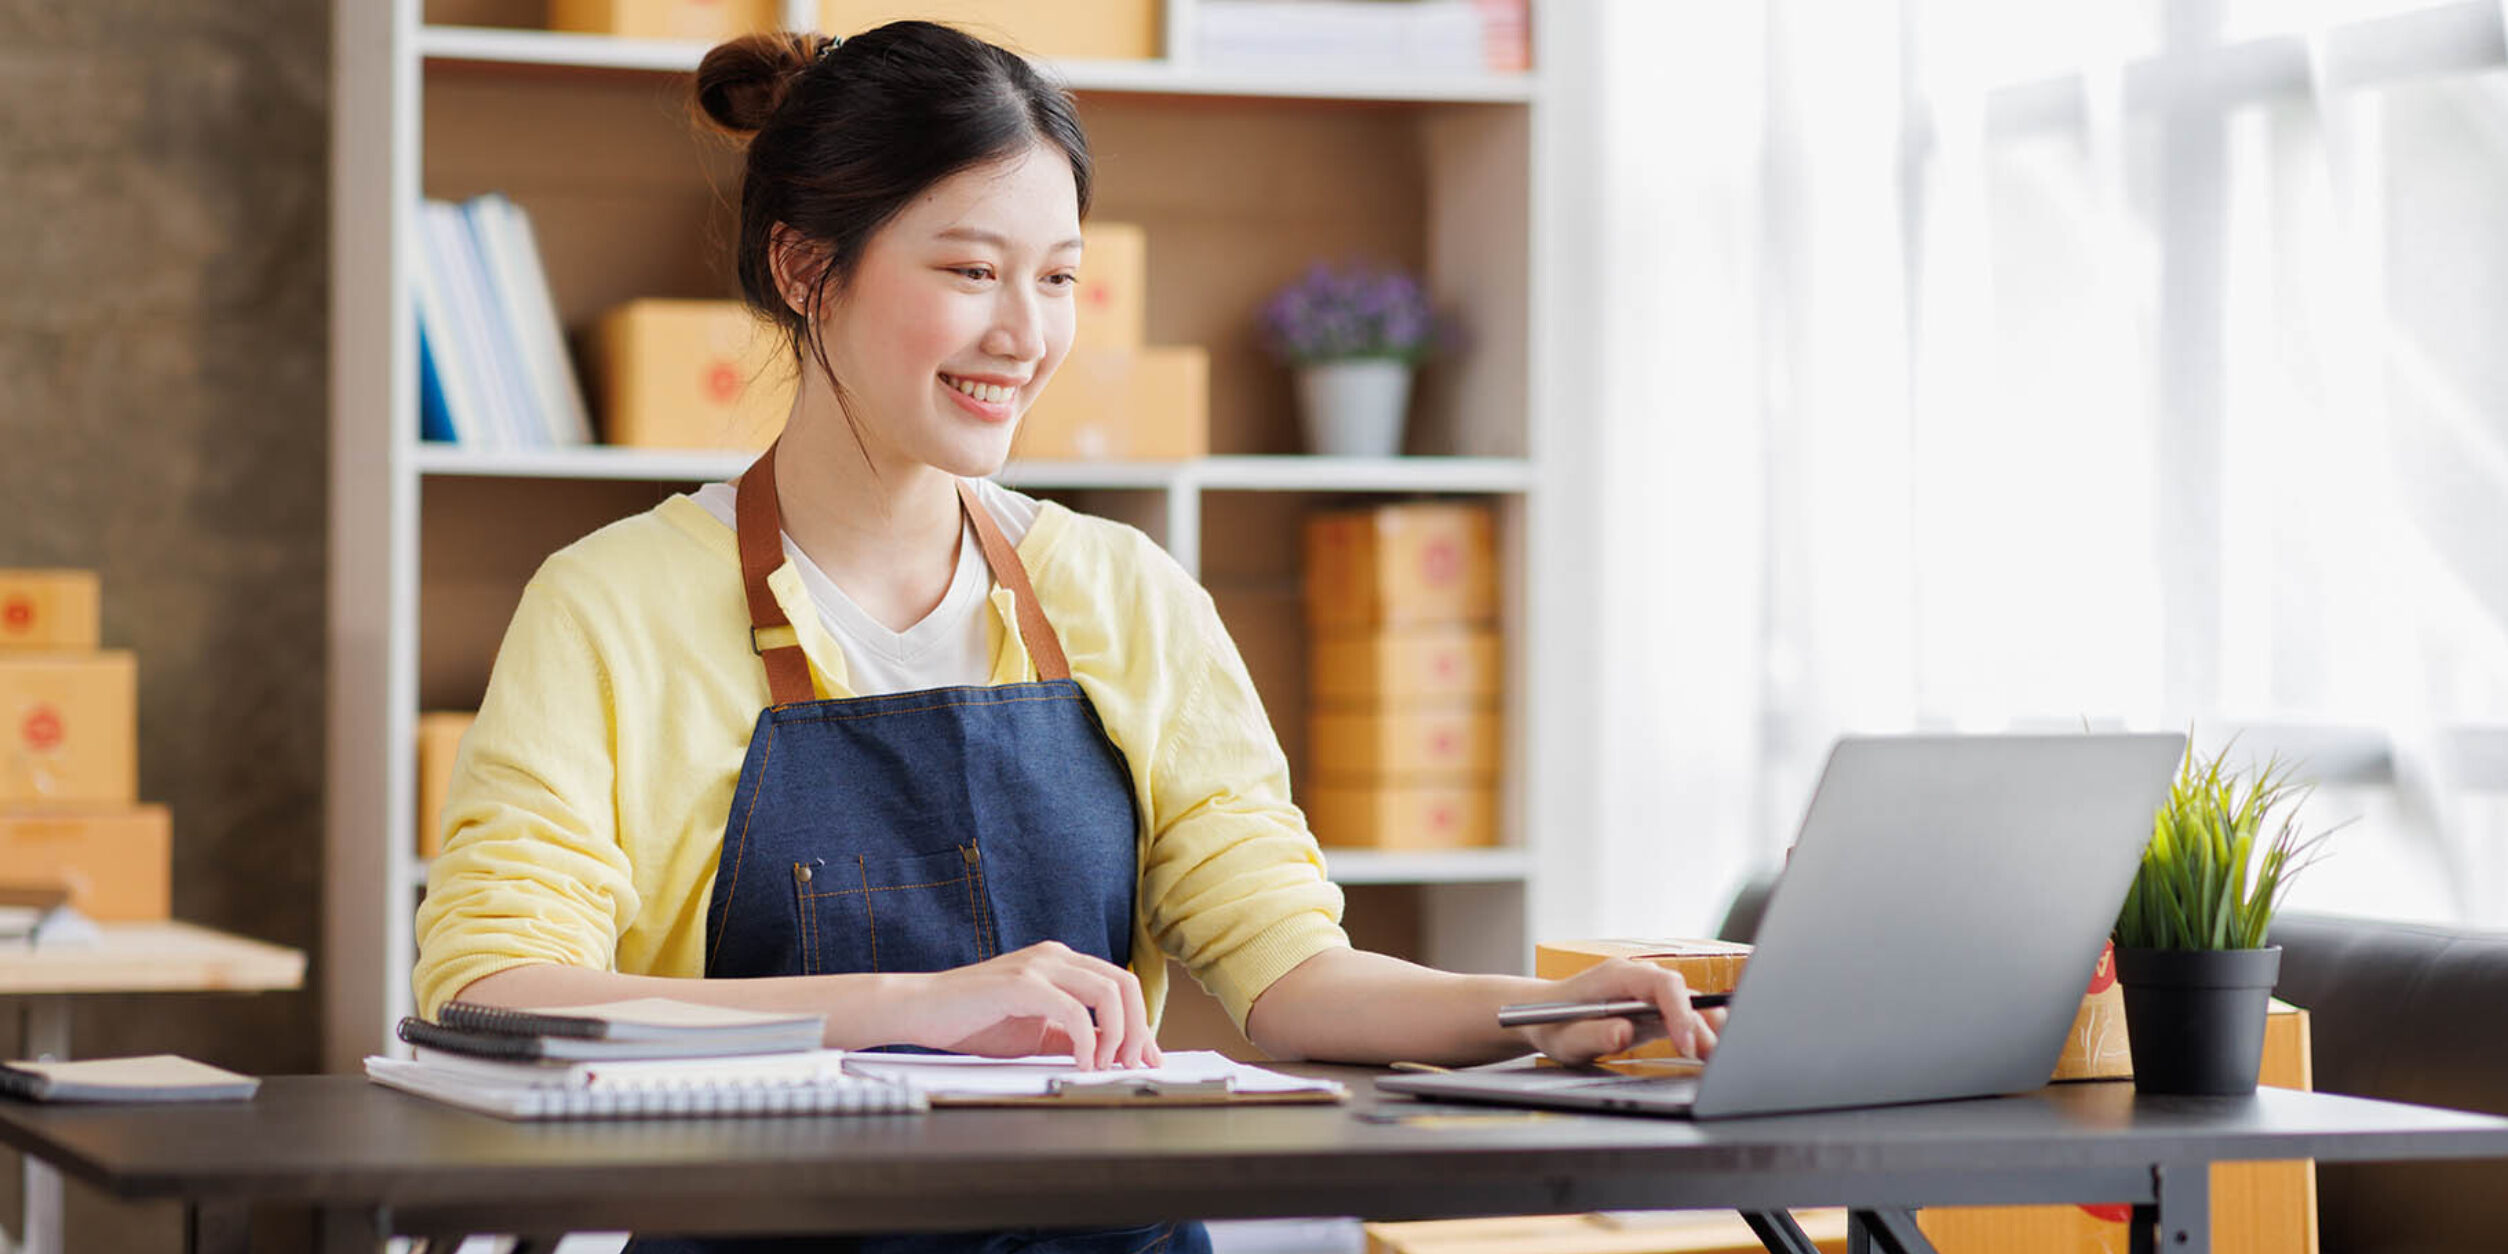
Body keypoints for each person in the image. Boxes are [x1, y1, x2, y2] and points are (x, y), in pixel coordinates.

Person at [415, 19, 1721, 1254]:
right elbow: (490, 993)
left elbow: (1292, 975)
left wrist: (1544, 1017)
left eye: (1058, 279)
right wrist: (901, 1008)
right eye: (972, 271)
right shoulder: (611, 608)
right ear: (805, 266)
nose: (1026, 334)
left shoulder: (1128, 594)